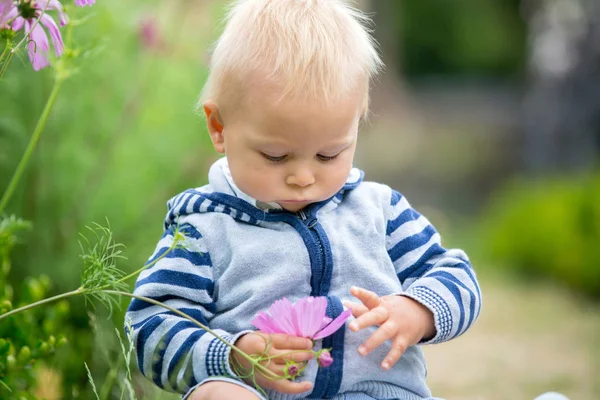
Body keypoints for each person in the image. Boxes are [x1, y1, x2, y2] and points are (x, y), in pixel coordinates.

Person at [125, 1, 482, 399]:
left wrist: (420, 308)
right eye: (276, 156)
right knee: (217, 395)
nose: (303, 177)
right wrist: (233, 355)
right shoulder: (203, 230)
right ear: (219, 127)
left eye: (329, 155)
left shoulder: (380, 212)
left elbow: (457, 277)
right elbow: (150, 328)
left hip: (374, 393)